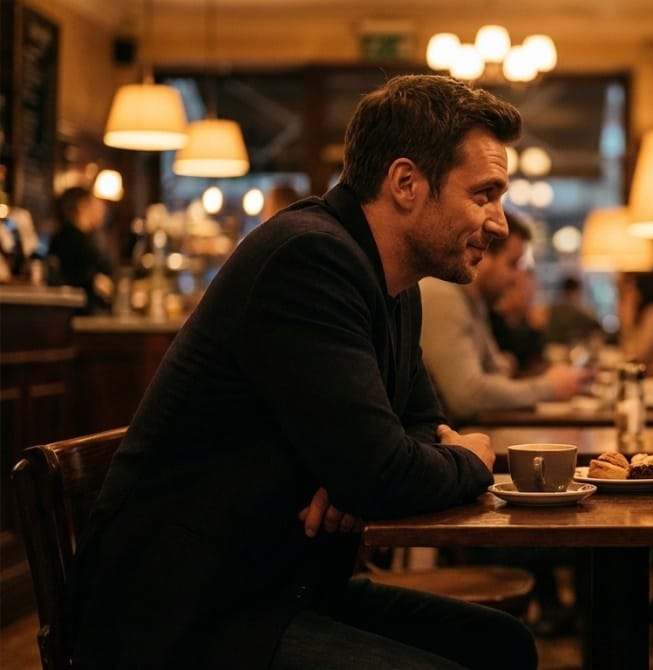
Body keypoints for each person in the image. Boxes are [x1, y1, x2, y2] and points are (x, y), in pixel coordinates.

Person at [66, 75, 538, 669]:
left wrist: (362, 477)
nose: (499, 223)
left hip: (282, 585)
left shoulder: (396, 286)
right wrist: (470, 459)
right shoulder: (308, 259)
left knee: (503, 645)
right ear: (406, 183)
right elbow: (387, 469)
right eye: (484, 195)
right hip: (183, 612)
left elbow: (416, 428)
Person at [420, 213, 587, 423]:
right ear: (483, 254)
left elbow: (496, 372)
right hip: (441, 438)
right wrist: (548, 387)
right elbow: (467, 397)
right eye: (512, 264)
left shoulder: (474, 301)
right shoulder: (443, 295)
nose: (517, 278)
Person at [47, 186, 114, 314]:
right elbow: (73, 277)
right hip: (77, 314)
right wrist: (94, 281)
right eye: (98, 203)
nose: (103, 209)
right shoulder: (70, 238)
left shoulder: (84, 238)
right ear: (82, 205)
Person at [543, 276, 602, 345]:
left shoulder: (553, 308)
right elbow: (595, 323)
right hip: (565, 346)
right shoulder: (575, 309)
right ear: (575, 291)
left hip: (550, 345)